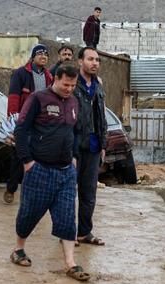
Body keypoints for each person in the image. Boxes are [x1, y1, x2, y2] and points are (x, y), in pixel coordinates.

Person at [10, 64, 90, 282]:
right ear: (55, 79)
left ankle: (71, 264)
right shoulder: (37, 99)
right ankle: (18, 249)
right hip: (39, 170)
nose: (69, 89)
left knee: (67, 218)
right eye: (66, 84)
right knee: (29, 214)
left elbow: (75, 131)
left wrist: (74, 158)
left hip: (65, 172)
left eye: (73, 85)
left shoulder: (74, 102)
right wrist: (27, 161)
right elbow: (21, 129)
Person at [3, 44, 53, 204]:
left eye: (46, 54)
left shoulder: (49, 77)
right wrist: (13, 121)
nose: (43, 56)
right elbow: (13, 98)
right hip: (23, 121)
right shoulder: (20, 74)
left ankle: (33, 192)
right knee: (18, 156)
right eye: (40, 54)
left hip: (40, 123)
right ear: (33, 57)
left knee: (39, 156)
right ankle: (11, 188)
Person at [73, 46, 107, 247]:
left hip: (94, 148)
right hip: (75, 147)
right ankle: (67, 232)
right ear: (80, 62)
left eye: (97, 60)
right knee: (69, 192)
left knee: (89, 193)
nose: (94, 63)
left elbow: (101, 115)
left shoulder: (99, 85)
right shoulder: (71, 84)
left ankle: (84, 232)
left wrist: (103, 143)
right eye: (90, 59)